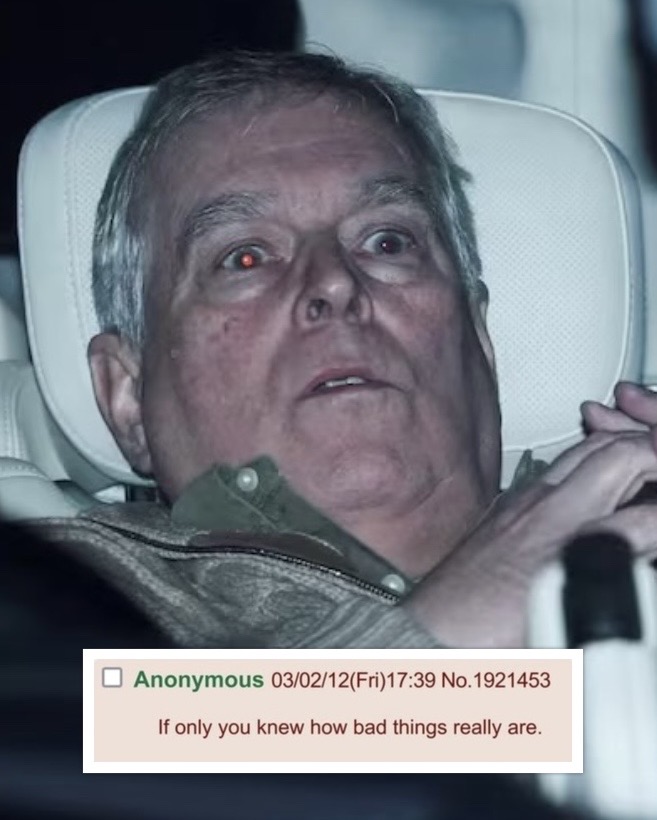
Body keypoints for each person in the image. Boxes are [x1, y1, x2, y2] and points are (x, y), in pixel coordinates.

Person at [33, 50, 657, 649]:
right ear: (128, 397)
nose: (334, 281)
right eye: (245, 258)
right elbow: (133, 718)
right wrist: (454, 631)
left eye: (387, 242)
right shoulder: (54, 595)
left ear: (480, 340)